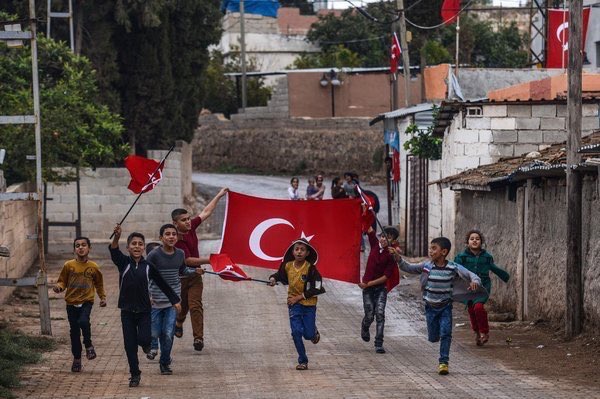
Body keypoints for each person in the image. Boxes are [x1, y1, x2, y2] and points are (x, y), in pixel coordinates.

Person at [395, 237, 482, 375]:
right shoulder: (426, 266)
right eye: (430, 248)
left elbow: (472, 275)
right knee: (433, 337)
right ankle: (437, 340)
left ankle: (443, 362)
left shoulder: (453, 267)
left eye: (434, 248)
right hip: (430, 308)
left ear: (444, 252)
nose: (430, 251)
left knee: (446, 334)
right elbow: (409, 268)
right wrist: (398, 259)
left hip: (446, 307)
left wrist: (474, 282)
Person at [109, 225, 181, 387]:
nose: (137, 246)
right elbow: (114, 251)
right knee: (129, 345)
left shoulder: (148, 266)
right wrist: (116, 236)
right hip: (127, 311)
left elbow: (162, 283)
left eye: (140, 244)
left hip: (144, 312)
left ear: (143, 248)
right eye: (133, 244)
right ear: (127, 248)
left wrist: (175, 300)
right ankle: (135, 374)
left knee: (144, 339)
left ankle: (147, 345)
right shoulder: (123, 263)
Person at [171, 187, 228, 352]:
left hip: (195, 276)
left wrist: (218, 194)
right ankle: (179, 322)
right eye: (184, 220)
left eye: (189, 218)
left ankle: (198, 338)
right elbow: (188, 260)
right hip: (180, 277)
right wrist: (211, 259)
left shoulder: (191, 228)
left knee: (195, 305)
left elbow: (205, 212)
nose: (188, 222)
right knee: (182, 306)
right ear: (176, 223)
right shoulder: (175, 239)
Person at [146, 224, 203, 375]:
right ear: (161, 238)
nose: (171, 237)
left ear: (177, 238)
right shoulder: (154, 255)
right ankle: (154, 347)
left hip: (173, 301)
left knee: (168, 332)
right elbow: (146, 275)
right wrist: (148, 295)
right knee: (155, 332)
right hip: (156, 301)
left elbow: (182, 270)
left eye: (174, 234)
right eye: (167, 234)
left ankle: (164, 362)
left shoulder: (180, 254)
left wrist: (194, 271)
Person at [268, 238, 325, 370]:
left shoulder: (311, 269)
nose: (299, 252)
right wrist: (273, 279)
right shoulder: (287, 266)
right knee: (296, 332)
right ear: (293, 252)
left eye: (302, 250)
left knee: (308, 334)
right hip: (294, 305)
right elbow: (279, 275)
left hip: (309, 304)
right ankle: (303, 361)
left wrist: (299, 297)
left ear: (307, 253)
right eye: (297, 249)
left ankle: (313, 332)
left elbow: (317, 287)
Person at [53, 237, 107, 373]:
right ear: (74, 249)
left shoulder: (94, 267)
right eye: (77, 246)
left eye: (84, 245)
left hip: (86, 301)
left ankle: (88, 345)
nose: (81, 248)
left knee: (84, 321)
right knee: (74, 332)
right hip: (71, 302)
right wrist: (59, 287)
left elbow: (99, 284)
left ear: (89, 248)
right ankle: (77, 358)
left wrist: (102, 297)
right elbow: (62, 281)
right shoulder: (68, 265)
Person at [454, 230, 509, 346]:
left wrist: (505, 276)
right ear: (467, 242)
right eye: (472, 239)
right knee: (471, 309)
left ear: (481, 242)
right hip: (467, 287)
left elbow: (494, 268)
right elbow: (456, 270)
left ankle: (484, 331)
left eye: (477, 239)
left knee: (478, 307)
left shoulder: (487, 257)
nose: (474, 240)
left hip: (483, 286)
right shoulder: (461, 257)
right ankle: (476, 332)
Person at [359, 226, 400, 354]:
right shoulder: (374, 244)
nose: (383, 239)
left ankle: (379, 343)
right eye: (382, 236)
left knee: (380, 314)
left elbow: (386, 277)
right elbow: (368, 227)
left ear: (393, 241)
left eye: (387, 237)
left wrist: (369, 283)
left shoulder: (391, 256)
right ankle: (365, 326)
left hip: (380, 288)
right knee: (370, 315)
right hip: (367, 289)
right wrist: (366, 208)